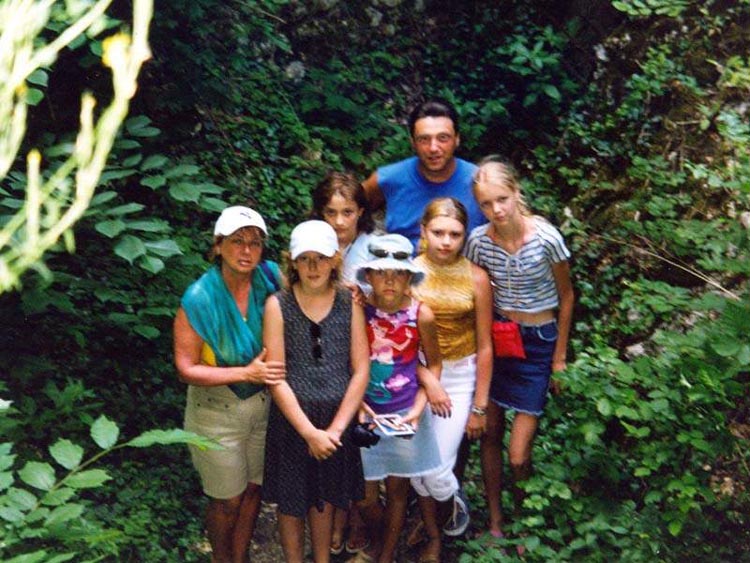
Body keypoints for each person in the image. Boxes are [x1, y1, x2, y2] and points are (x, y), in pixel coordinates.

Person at [465, 157, 574, 545]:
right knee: (491, 433)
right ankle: (496, 520)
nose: (496, 210)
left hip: (539, 341)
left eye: (502, 200)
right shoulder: (478, 242)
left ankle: (526, 515)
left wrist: (559, 358)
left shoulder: (546, 238)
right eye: (486, 204)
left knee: (518, 453)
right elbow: (475, 293)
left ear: (516, 194)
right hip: (498, 340)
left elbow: (566, 295)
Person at [174, 205, 286, 563]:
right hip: (215, 410)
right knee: (226, 499)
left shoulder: (269, 277)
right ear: (218, 245)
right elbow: (186, 368)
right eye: (237, 241)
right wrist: (245, 373)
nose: (247, 251)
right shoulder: (199, 298)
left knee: (253, 489)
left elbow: (308, 294)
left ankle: (241, 557)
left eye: (255, 242)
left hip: (262, 406)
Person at [262, 220, 370, 563]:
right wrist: (309, 432)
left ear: (335, 259)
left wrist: (335, 430)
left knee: (325, 497)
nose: (313, 267)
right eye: (304, 258)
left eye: (321, 258)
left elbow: (361, 368)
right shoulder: (277, 306)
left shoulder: (348, 303)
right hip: (293, 420)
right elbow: (275, 376)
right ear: (292, 261)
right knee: (292, 502)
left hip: (336, 421)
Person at [407, 197, 494, 558]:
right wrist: (426, 378)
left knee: (437, 466)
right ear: (423, 232)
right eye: (438, 232)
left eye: (455, 234)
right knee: (416, 472)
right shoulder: (407, 272)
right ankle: (435, 534)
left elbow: (486, 345)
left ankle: (453, 504)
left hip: (460, 375)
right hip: (415, 372)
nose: (446, 241)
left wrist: (480, 407)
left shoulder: (476, 277)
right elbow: (394, 340)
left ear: (464, 236)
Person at [348, 234, 443, 563]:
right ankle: (383, 536)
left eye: (398, 273)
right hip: (365, 413)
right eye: (381, 272)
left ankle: (386, 555)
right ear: (369, 276)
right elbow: (349, 363)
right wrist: (358, 406)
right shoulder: (358, 312)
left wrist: (418, 411)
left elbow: (434, 364)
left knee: (399, 489)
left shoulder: (422, 315)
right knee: (365, 494)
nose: (389, 280)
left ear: (409, 279)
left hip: (405, 412)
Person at [310, 171, 374, 555]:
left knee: (357, 441)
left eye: (347, 212)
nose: (338, 221)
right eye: (331, 212)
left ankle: (351, 520)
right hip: (325, 351)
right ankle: (329, 518)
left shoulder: (373, 247)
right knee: (331, 435)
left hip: (369, 349)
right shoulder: (311, 243)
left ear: (360, 212)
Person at [361, 98, 485, 248]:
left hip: (463, 268)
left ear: (457, 139)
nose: (433, 147)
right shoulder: (388, 179)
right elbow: (346, 212)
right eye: (424, 139)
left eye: (443, 138)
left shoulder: (480, 181)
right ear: (413, 142)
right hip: (402, 267)